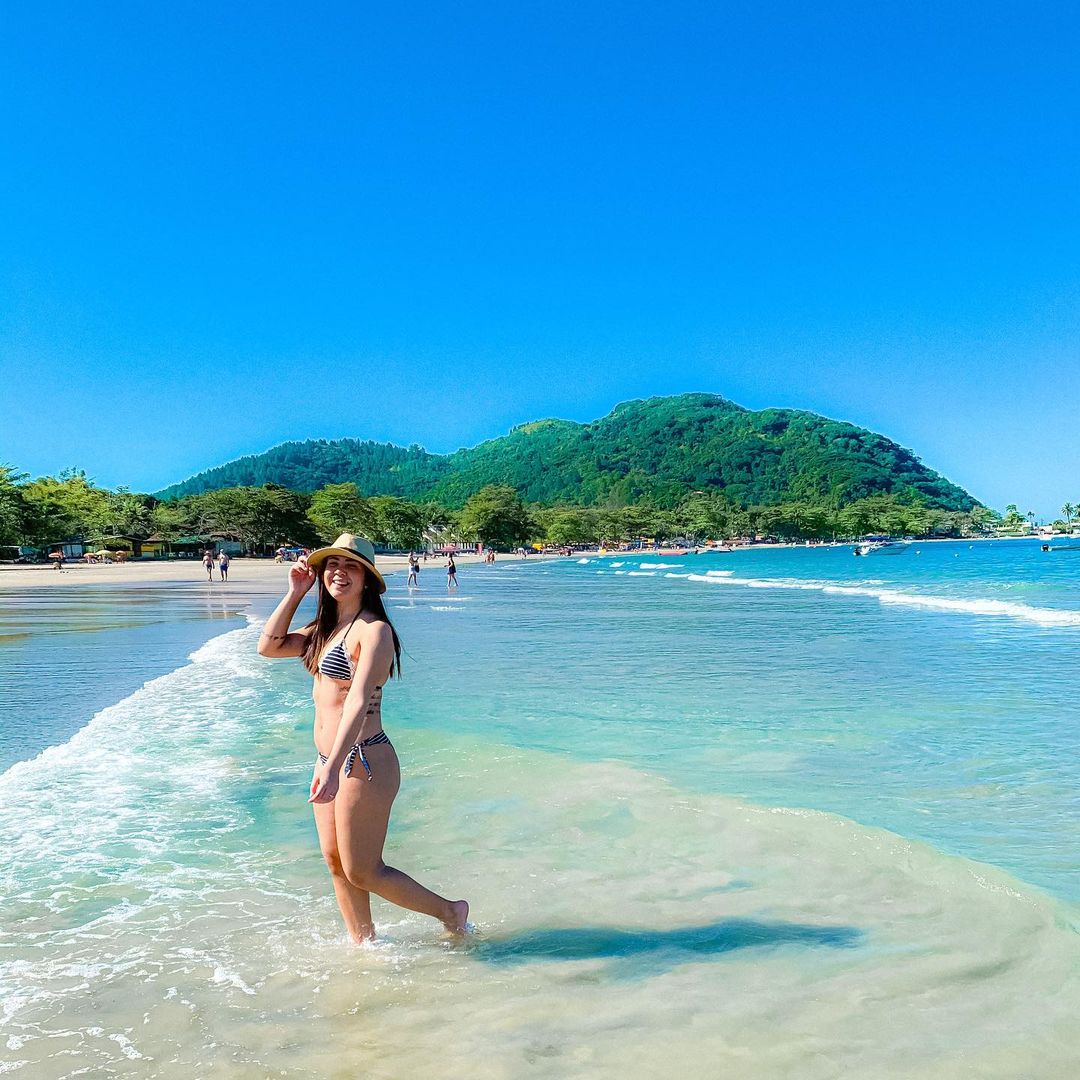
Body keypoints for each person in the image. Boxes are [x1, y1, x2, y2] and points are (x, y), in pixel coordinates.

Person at [257, 533, 468, 942]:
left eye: (351, 566)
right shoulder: (324, 629)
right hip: (330, 761)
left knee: (363, 868)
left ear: (367, 578)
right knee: (336, 862)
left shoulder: (374, 632)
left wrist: (334, 768)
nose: (339, 572)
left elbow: (356, 702)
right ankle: (363, 945)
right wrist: (296, 591)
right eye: (332, 565)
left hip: (362, 760)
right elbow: (269, 646)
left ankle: (450, 911)